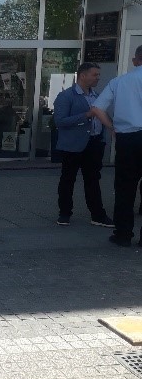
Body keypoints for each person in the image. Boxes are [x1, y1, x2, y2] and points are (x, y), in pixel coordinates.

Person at [92, 45, 142, 247]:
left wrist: (112, 127)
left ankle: (123, 234)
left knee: (124, 188)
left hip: (127, 138)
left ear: (135, 60)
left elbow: (97, 108)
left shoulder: (119, 81)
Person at [53, 62, 113, 228]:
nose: (98, 78)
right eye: (95, 75)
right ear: (82, 75)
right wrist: (86, 115)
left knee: (93, 180)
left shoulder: (97, 96)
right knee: (68, 179)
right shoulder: (66, 96)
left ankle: (98, 215)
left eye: (98, 75)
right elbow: (60, 121)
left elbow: (102, 116)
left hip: (94, 144)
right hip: (73, 145)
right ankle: (65, 213)